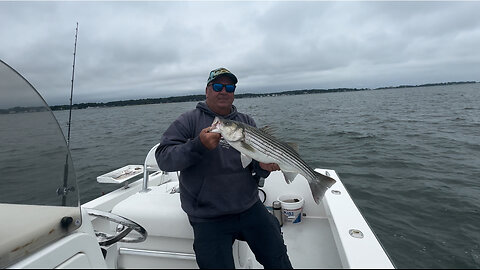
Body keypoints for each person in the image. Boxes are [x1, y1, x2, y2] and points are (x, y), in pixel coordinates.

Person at [155, 67, 293, 269]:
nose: (224, 91)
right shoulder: (188, 120)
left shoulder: (246, 121)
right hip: (208, 216)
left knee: (278, 258)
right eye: (218, 86)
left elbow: (255, 166)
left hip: (249, 207)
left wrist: (263, 167)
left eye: (229, 87)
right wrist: (198, 145)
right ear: (207, 90)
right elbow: (164, 159)